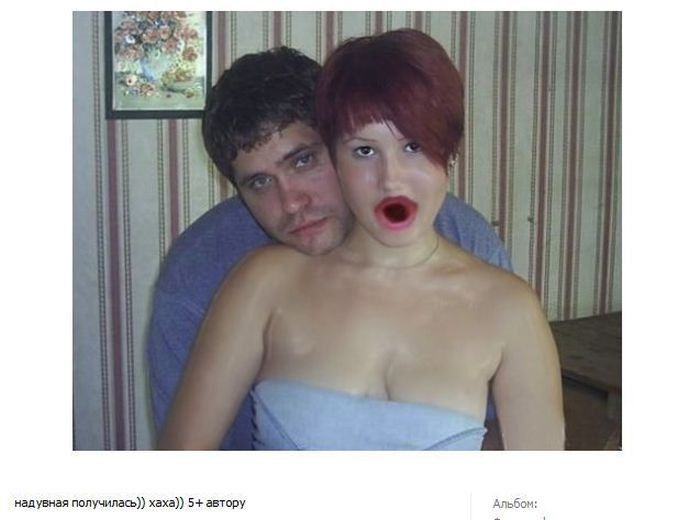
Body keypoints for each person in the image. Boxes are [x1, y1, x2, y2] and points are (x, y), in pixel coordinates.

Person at [156, 30, 564, 450]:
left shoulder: (505, 300)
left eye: (413, 146)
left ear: (450, 151)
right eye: (365, 151)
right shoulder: (249, 278)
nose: (391, 180)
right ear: (340, 157)